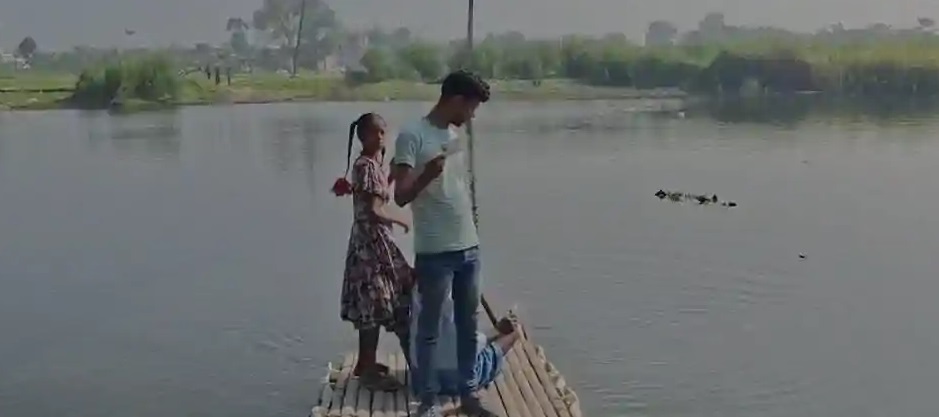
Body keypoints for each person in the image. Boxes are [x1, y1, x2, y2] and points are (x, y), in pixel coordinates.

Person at [391, 70, 492, 417]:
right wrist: (426, 176)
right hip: (435, 250)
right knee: (430, 329)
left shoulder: (454, 136)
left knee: (468, 324)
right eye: (472, 108)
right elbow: (401, 195)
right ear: (456, 100)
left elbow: (455, 188)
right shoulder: (412, 136)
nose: (472, 116)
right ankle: (428, 402)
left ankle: (467, 396)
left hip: (469, 246)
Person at [333, 112, 413, 391]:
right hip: (371, 243)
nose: (381, 137)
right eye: (375, 133)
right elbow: (376, 210)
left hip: (370, 241)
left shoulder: (370, 165)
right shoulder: (366, 166)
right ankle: (367, 370)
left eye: (383, 132)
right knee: (373, 302)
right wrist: (401, 219)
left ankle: (366, 361)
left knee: (374, 302)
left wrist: (392, 171)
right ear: (363, 136)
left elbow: (377, 192)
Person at [397, 287, 520, 400]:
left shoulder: (418, 284)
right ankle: (515, 331)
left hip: (421, 378)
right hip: (455, 378)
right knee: (513, 334)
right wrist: (496, 333)